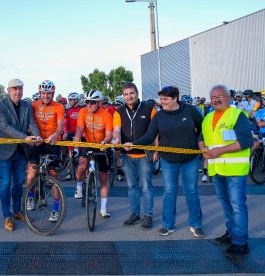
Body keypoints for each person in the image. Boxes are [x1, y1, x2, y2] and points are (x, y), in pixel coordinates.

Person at [124, 86, 205, 238]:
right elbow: (149, 135)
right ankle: (168, 225)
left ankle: (196, 224)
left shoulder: (190, 111)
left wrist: (201, 142)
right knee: (169, 192)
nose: (162, 102)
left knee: (191, 192)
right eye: (161, 99)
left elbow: (203, 128)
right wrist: (134, 143)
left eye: (165, 99)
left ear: (175, 98)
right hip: (168, 160)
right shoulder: (159, 116)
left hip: (190, 160)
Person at [199, 84, 253, 258]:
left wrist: (219, 151)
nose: (216, 99)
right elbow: (201, 138)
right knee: (225, 203)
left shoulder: (238, 115)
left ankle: (240, 242)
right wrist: (203, 149)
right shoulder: (208, 117)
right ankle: (231, 233)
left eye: (219, 96)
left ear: (228, 98)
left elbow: (245, 141)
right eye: (213, 97)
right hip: (217, 169)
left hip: (235, 169)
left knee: (237, 205)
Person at [0, 78, 40, 232]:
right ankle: (7, 216)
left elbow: (32, 123)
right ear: (8, 90)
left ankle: (17, 211)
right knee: (6, 183)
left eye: (20, 88)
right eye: (14, 89)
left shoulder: (27, 105)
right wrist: (24, 138)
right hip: (5, 150)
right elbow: (3, 127)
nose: (18, 91)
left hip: (21, 151)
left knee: (18, 183)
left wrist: (37, 136)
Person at [112, 82, 156, 228]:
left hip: (144, 154)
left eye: (131, 93)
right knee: (132, 187)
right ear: (123, 96)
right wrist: (117, 139)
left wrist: (156, 150)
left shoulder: (149, 108)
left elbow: (155, 132)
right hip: (126, 155)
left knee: (146, 187)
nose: (129, 96)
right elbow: (116, 130)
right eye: (126, 94)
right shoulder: (119, 112)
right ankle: (135, 214)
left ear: (137, 93)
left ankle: (148, 215)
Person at [26, 80, 65, 222]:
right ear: (40, 93)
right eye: (44, 93)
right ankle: (30, 197)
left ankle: (55, 208)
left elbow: (60, 124)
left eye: (49, 93)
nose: (46, 96)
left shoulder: (59, 106)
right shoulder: (33, 105)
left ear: (53, 93)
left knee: (54, 175)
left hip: (52, 141)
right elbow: (29, 122)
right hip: (37, 142)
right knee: (31, 175)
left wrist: (57, 133)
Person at [74, 90, 113, 218]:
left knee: (103, 178)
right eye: (86, 102)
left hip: (102, 145)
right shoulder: (83, 112)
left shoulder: (106, 115)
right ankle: (79, 187)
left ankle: (103, 208)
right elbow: (79, 129)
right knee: (81, 167)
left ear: (100, 103)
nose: (88, 105)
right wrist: (77, 144)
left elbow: (109, 134)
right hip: (89, 144)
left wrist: (105, 141)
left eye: (92, 102)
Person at [63, 92, 82, 181]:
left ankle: (84, 173)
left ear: (76, 100)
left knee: (82, 156)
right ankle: (69, 173)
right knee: (70, 155)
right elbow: (65, 123)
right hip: (71, 134)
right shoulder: (68, 110)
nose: (69, 101)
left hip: (81, 134)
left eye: (71, 100)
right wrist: (65, 132)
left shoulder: (82, 110)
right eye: (69, 100)